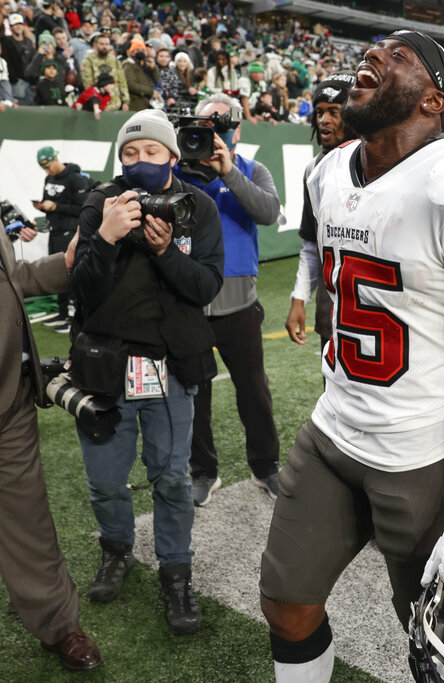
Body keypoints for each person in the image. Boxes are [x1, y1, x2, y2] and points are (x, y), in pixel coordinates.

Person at [259, 30, 444, 682]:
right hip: (334, 430)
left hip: (424, 452)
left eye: (400, 55)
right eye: (376, 47)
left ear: (434, 99)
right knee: (286, 602)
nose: (376, 54)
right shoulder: (328, 170)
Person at [71, 109, 224, 634]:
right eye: (130, 154)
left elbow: (205, 287)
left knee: (173, 479)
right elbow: (83, 292)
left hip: (170, 367)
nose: (140, 162)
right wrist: (106, 237)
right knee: (105, 481)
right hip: (103, 367)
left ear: (173, 156)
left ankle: (175, 572)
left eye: (151, 152)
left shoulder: (198, 206)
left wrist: (163, 251)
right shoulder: (99, 203)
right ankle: (116, 550)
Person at [0, 226, 102, 672]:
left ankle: (58, 624)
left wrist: (65, 262)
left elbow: (13, 276)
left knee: (29, 521)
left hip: (10, 402)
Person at [175, 93, 282, 506]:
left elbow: (268, 212)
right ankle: (203, 470)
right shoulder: (179, 172)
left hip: (238, 301)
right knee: (195, 392)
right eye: (205, 126)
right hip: (189, 299)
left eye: (220, 126)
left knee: (253, 388)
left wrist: (230, 171)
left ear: (235, 130)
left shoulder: (253, 169)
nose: (212, 134)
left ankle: (265, 466)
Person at [285, 72, 355, 352]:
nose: (323, 120)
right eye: (319, 112)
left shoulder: (382, 163)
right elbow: (312, 244)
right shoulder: (314, 169)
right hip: (333, 301)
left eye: (334, 113)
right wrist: (299, 297)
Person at [32, 146, 90, 333]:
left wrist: (56, 206)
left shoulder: (75, 178)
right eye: (44, 168)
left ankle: (74, 317)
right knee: (57, 272)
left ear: (56, 158)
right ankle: (62, 312)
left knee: (70, 272)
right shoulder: (49, 178)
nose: (47, 171)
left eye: (48, 166)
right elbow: (51, 203)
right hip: (54, 231)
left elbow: (83, 207)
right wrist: (43, 207)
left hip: (69, 233)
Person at [79, 33, 129, 111]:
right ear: (95, 45)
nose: (105, 47)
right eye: (102, 44)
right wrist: (96, 103)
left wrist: (126, 101)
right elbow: (88, 85)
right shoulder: (88, 60)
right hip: (98, 106)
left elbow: (122, 81)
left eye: (107, 44)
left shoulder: (114, 60)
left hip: (116, 105)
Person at [123, 38, 158, 111]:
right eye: (137, 50)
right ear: (132, 52)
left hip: (146, 102)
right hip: (135, 103)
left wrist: (153, 69)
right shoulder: (128, 65)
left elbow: (157, 79)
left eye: (143, 50)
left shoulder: (147, 64)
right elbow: (131, 85)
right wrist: (150, 92)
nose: (141, 52)